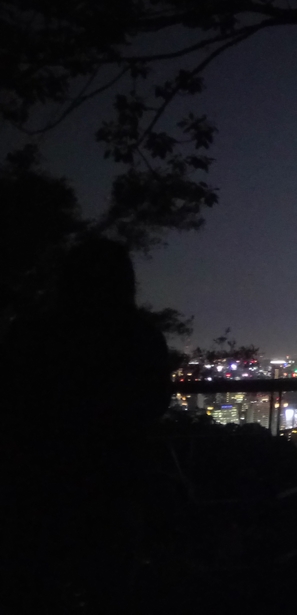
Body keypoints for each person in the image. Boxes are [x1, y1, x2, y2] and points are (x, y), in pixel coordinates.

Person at [2, 237, 172, 605]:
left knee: (37, 580)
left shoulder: (31, 334)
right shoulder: (141, 338)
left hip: (39, 479)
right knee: (109, 581)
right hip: (116, 478)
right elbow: (155, 401)